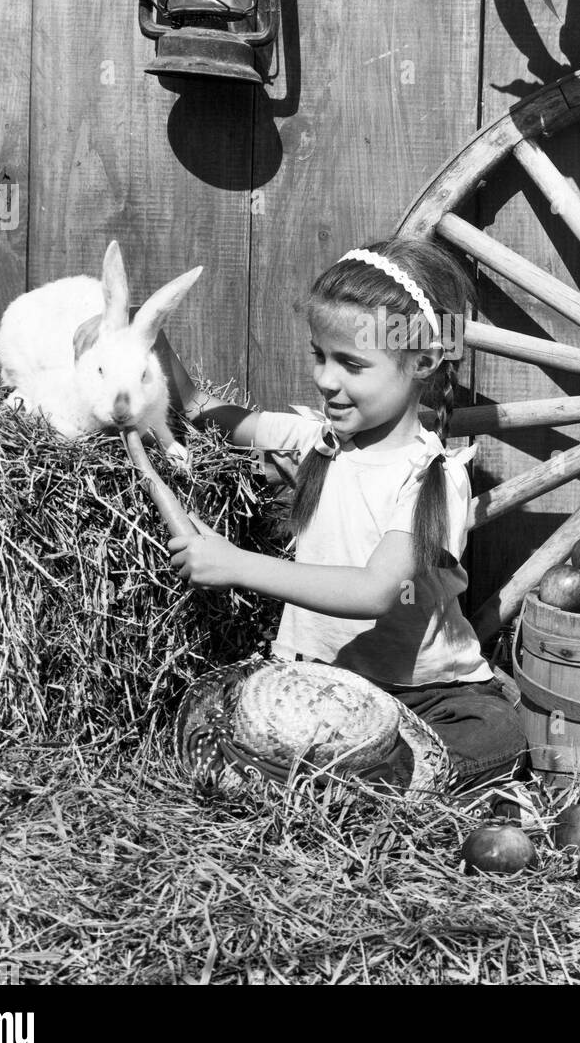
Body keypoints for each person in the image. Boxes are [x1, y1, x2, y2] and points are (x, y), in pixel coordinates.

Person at [159, 237, 528, 793]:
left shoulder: (432, 475)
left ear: (424, 361)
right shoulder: (318, 442)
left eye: (351, 363)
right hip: (321, 685)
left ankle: (336, 777)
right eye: (319, 355)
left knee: (495, 733)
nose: (326, 379)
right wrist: (152, 343)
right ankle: (354, 778)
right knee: (228, 708)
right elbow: (203, 413)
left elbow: (374, 593)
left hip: (423, 697)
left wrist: (236, 564)